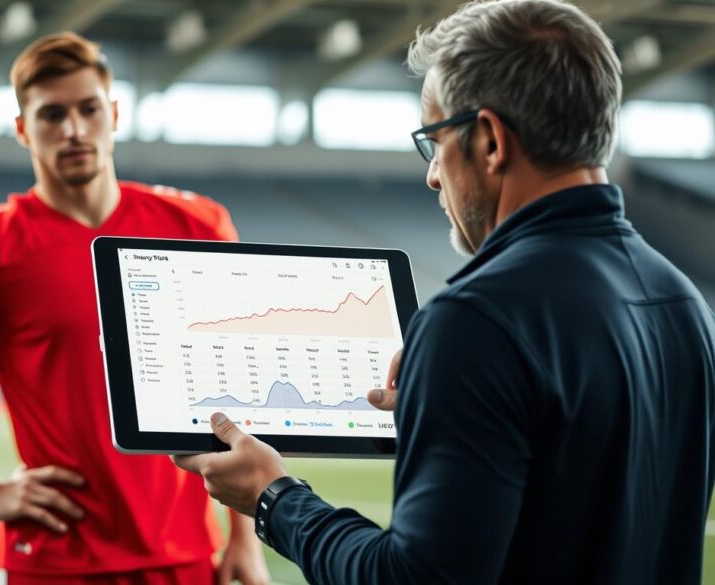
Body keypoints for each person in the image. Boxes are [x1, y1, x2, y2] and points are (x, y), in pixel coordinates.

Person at [174, 1, 715, 583]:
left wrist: (275, 499)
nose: (432, 174)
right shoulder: (685, 305)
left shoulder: (476, 320)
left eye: (433, 140)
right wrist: (462, 415)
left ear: (488, 141)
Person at [0, 32, 269, 585]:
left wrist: (245, 537)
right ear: (23, 129)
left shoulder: (193, 228)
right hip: (52, 560)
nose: (73, 130)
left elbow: (234, 382)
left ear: (113, 113)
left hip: (185, 552)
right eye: (51, 115)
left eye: (88, 109)